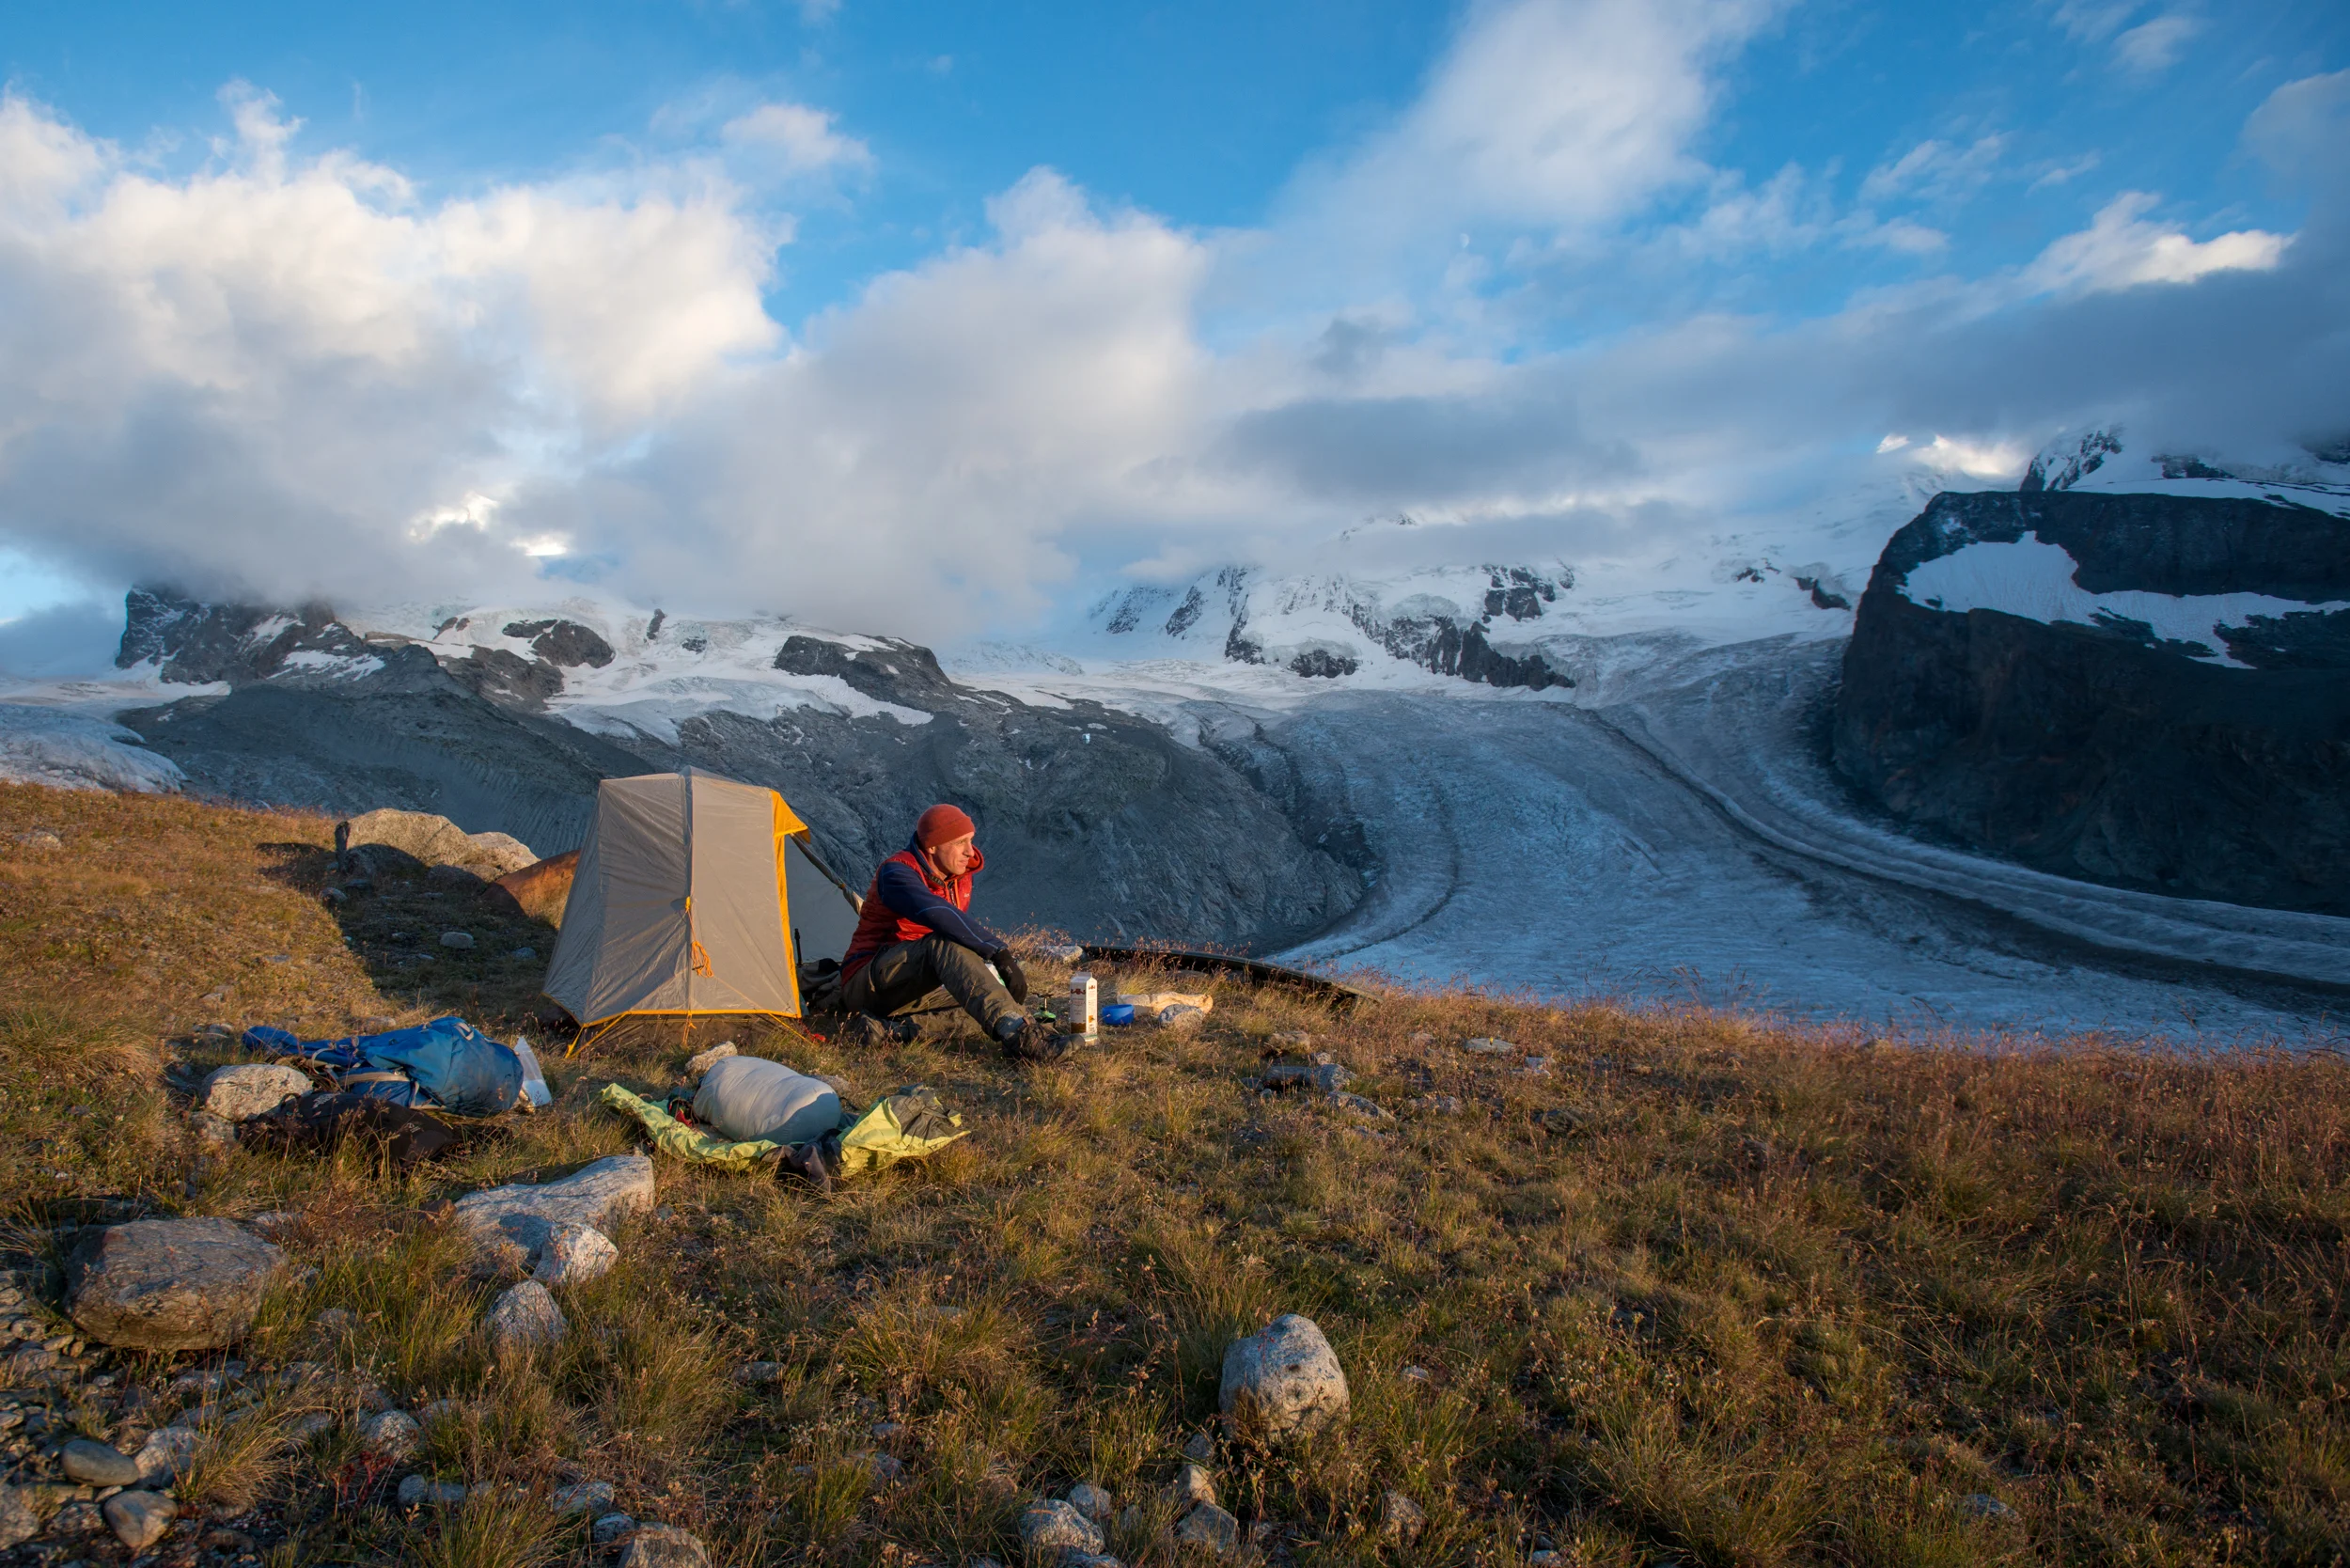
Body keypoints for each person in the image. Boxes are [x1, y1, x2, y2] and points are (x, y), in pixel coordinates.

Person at [838, 804, 1067, 1061]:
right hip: (868, 982)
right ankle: (1024, 1041)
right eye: (960, 842)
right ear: (932, 846)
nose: (970, 852)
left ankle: (890, 1030)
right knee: (943, 943)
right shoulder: (897, 873)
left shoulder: (955, 876)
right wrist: (999, 953)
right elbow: (933, 910)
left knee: (989, 1004)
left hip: (914, 986)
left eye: (970, 840)